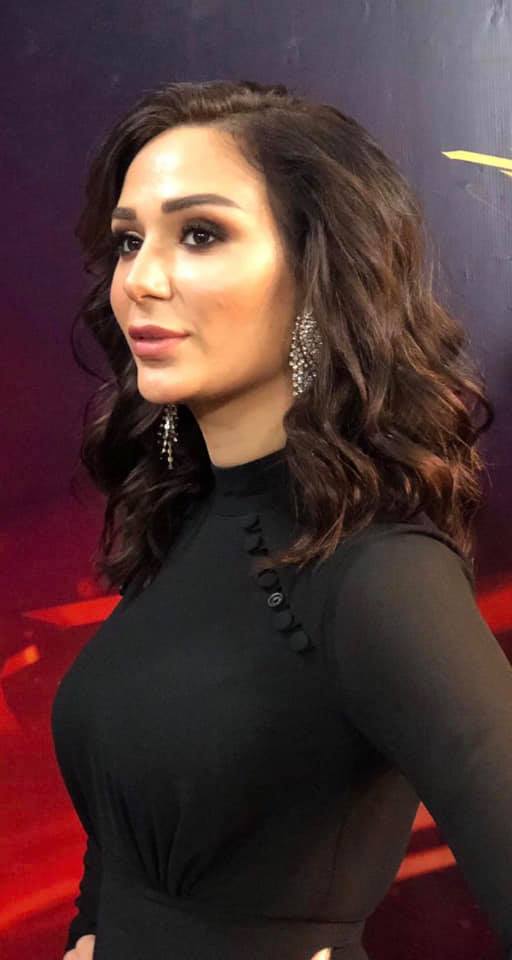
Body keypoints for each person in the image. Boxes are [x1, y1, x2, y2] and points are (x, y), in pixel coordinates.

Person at [51, 79, 511, 960]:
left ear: (315, 274)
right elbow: (126, 838)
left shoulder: (381, 574)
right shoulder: (181, 521)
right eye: (129, 241)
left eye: (200, 234)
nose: (140, 280)